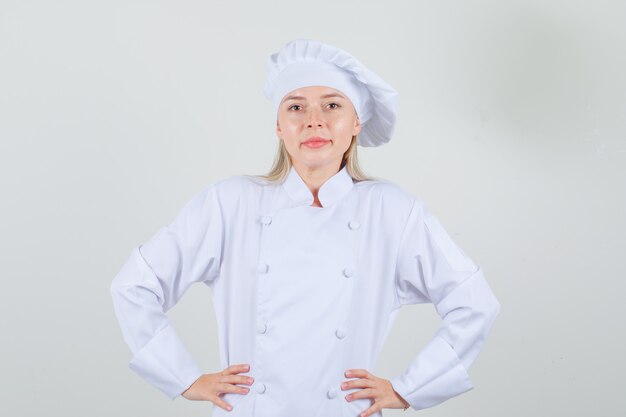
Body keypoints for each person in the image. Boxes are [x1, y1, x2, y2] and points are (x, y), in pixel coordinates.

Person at [110, 39, 501, 417]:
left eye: (332, 105)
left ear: (355, 123)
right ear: (280, 126)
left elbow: (474, 302)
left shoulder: (391, 210)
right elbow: (135, 285)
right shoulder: (231, 203)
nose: (314, 120)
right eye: (296, 107)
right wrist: (183, 378)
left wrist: (408, 388)